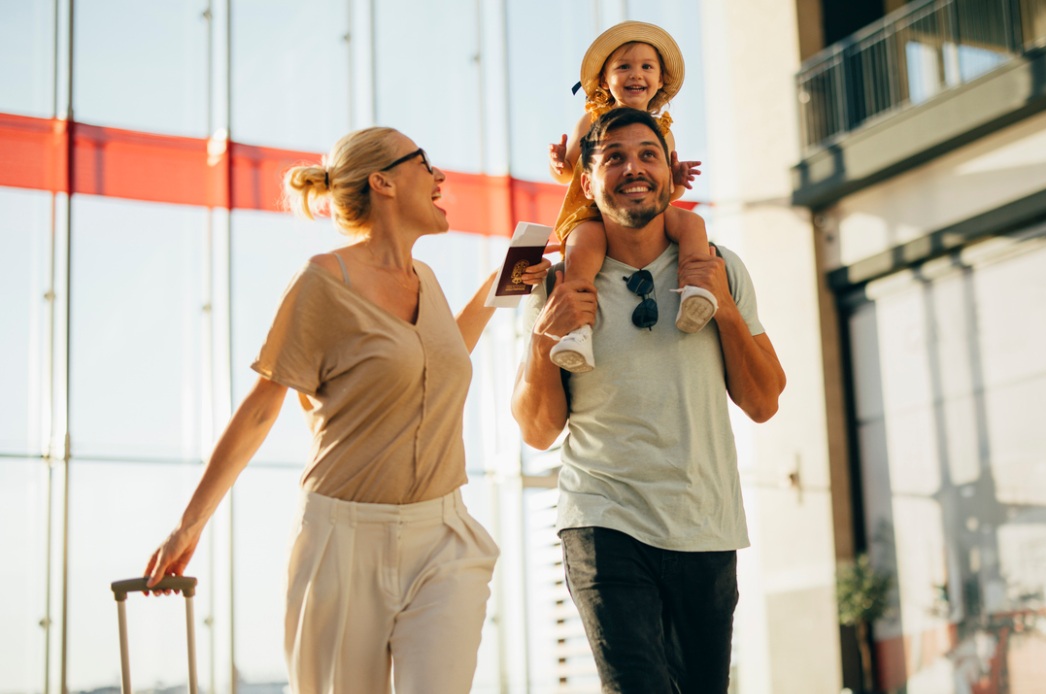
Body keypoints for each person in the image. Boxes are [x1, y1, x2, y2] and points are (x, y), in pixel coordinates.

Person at [144, 126, 549, 693]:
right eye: (424, 163)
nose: (440, 177)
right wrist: (189, 525)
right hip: (343, 543)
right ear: (382, 182)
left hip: (443, 538)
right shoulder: (322, 282)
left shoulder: (425, 279)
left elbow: (437, 356)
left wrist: (499, 282)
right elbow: (262, 409)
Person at [512, 108, 787, 693]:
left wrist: (727, 309)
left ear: (670, 174)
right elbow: (537, 432)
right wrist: (543, 343)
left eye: (647, 154)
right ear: (586, 182)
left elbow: (764, 401)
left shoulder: (720, 266)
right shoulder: (553, 284)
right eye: (613, 156)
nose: (632, 168)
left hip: (704, 523)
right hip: (603, 518)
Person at [546, 20, 715, 373]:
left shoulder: (664, 133)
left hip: (647, 211)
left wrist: (679, 180)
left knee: (692, 223)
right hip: (593, 212)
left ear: (659, 79)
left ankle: (695, 289)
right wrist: (559, 163)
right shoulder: (591, 119)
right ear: (605, 80)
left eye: (646, 67)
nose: (635, 74)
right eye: (623, 66)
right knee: (580, 255)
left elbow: (665, 191)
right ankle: (578, 330)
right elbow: (572, 174)